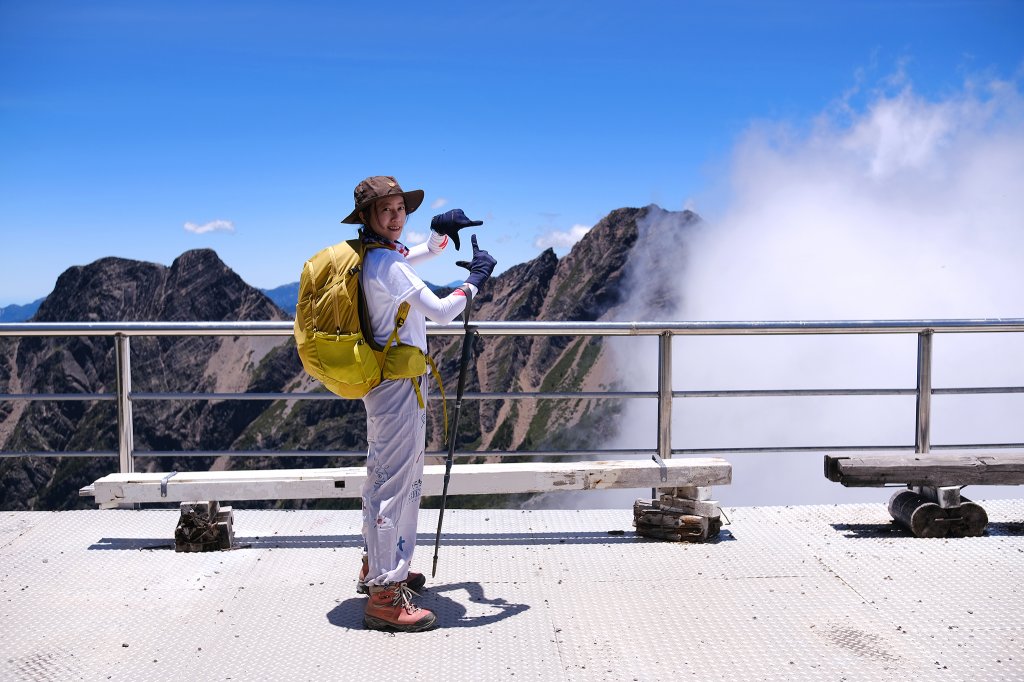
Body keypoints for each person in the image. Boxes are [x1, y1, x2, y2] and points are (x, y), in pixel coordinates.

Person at [340, 175, 496, 632]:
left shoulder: (374, 257)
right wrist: (475, 281)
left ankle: (379, 565)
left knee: (384, 477)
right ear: (368, 217)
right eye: (386, 210)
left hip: (384, 383)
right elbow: (443, 310)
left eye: (400, 208)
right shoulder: (387, 265)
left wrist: (438, 236)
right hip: (398, 389)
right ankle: (386, 597)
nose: (395, 216)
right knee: (396, 482)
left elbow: (415, 258)